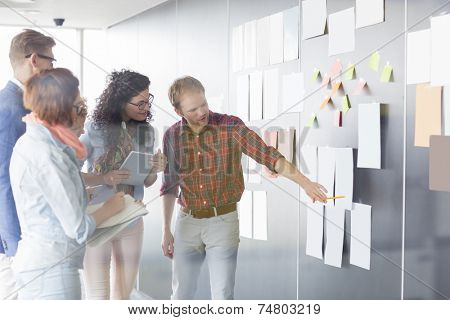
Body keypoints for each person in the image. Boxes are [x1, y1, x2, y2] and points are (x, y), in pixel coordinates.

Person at [160, 76, 328, 300]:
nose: (202, 112)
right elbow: (169, 185)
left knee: (222, 295)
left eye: (204, 104)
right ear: (178, 110)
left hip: (223, 222)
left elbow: (268, 156)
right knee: (181, 294)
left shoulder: (230, 127)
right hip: (186, 222)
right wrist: (165, 229)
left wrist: (306, 183)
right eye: (193, 109)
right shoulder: (171, 136)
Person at [9, 68, 126, 300]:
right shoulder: (49, 154)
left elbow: (50, 191)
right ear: (60, 108)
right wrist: (111, 208)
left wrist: (86, 190)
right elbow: (79, 228)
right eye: (77, 105)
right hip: (52, 269)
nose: (81, 111)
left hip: (36, 263)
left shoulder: (30, 142)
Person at [80, 70, 167, 300]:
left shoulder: (147, 132)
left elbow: (146, 181)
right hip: (100, 219)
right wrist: (102, 178)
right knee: (98, 298)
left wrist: (155, 169)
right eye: (139, 103)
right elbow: (69, 171)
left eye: (148, 101)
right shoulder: (92, 129)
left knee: (123, 298)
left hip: (131, 220)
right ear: (120, 101)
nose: (146, 108)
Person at [0, 29, 56, 300]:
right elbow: (4, 180)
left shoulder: (22, 103)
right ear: (34, 59)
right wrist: (15, 242)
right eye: (51, 62)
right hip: (15, 240)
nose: (53, 68)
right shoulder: (11, 108)